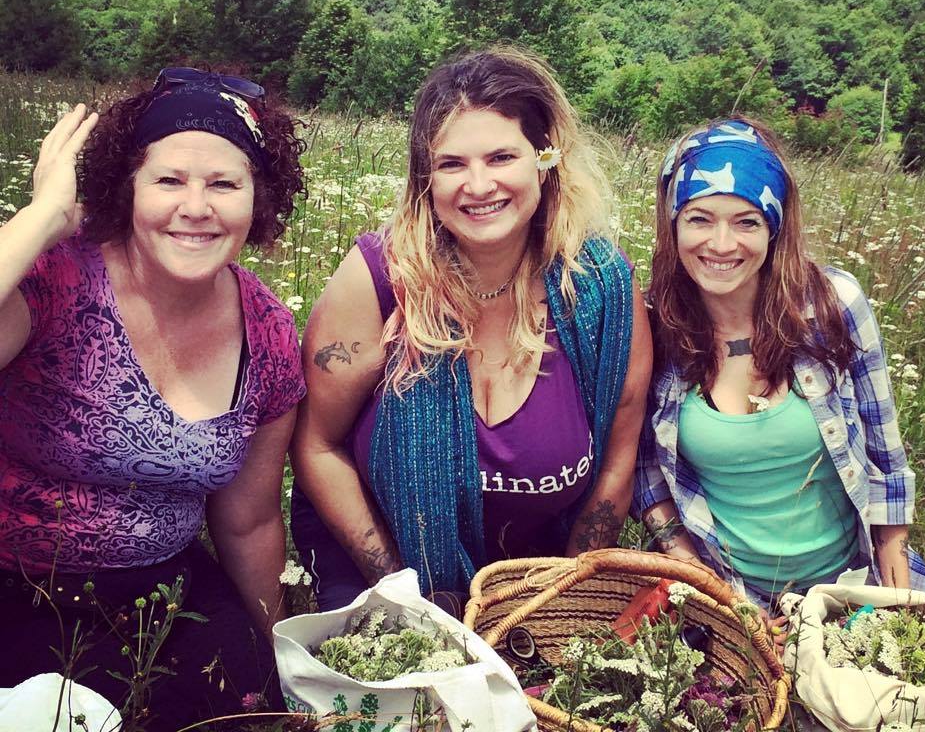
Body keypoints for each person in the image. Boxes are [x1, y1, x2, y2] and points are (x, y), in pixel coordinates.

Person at [291, 47, 652, 612]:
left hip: (537, 580)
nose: (478, 185)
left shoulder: (601, 289)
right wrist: (405, 594)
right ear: (425, 178)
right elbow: (316, 445)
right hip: (382, 572)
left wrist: (563, 602)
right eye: (452, 164)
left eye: (502, 156)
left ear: (545, 159)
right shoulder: (380, 280)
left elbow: (616, 462)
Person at [0, 69, 306, 729]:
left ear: (260, 200)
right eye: (168, 180)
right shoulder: (53, 279)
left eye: (224, 183)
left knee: (253, 717)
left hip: (162, 597)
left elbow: (248, 521)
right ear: (126, 189)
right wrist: (41, 220)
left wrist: (283, 655)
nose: (195, 207)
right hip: (15, 593)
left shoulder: (272, 333)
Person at [635, 117, 925, 632]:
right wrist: (716, 594)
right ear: (672, 225)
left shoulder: (833, 307)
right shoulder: (652, 327)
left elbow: (886, 460)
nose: (721, 243)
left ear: (774, 227)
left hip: (854, 585)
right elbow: (648, 475)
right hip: (728, 594)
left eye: (747, 222)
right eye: (699, 218)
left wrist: (891, 605)